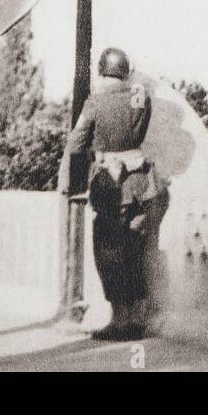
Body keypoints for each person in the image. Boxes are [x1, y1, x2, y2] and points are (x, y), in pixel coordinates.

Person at [60, 47, 169, 341]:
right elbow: (140, 125)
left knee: (109, 252)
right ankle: (137, 319)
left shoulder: (94, 102)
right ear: (126, 71)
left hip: (110, 185)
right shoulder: (141, 96)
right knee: (136, 249)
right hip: (142, 184)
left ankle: (119, 320)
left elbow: (76, 144)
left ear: (101, 71)